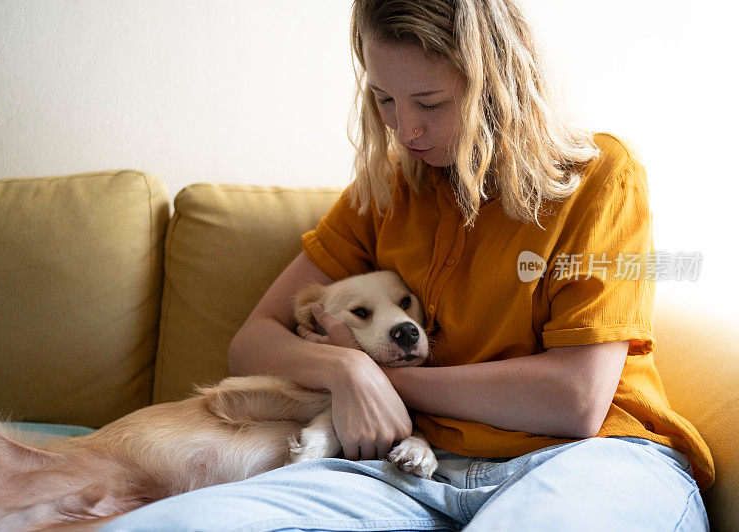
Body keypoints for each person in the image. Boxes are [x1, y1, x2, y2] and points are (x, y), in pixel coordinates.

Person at [103, 0, 713, 529]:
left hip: (589, 458)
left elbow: (575, 400)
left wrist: (383, 380)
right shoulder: (388, 190)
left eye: (430, 101)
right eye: (384, 98)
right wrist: (347, 372)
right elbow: (252, 342)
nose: (405, 127)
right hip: (409, 469)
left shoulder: (599, 176)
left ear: (497, 79)